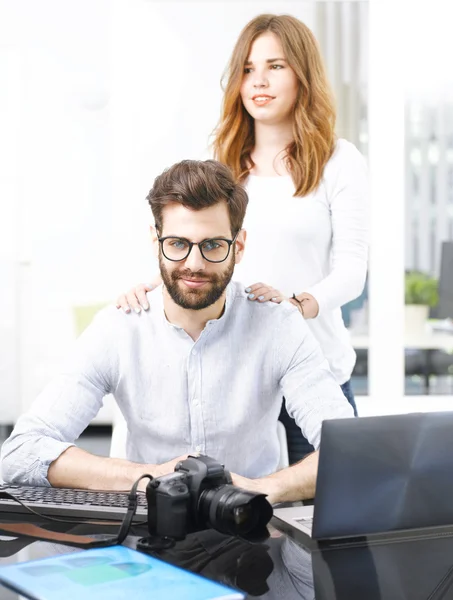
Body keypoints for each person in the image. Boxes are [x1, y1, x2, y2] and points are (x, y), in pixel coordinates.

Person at [1, 160, 353, 502]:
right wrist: (150, 477)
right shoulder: (119, 328)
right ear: (157, 243)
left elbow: (350, 448)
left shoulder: (278, 326)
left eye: (213, 245)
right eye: (178, 244)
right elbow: (21, 451)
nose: (194, 264)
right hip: (145, 536)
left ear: (239, 246)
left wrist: (262, 489)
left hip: (249, 531)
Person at [115, 14, 369, 464]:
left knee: (330, 512)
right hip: (239, 378)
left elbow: (351, 271)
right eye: (248, 69)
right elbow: (199, 248)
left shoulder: (338, 160)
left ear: (302, 74)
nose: (259, 81)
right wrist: (152, 286)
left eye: (275, 66)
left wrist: (296, 305)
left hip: (315, 367)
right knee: (244, 517)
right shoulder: (222, 163)